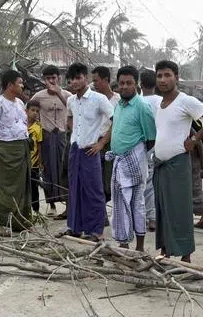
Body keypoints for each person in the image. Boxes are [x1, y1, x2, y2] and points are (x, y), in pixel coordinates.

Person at [152, 59, 203, 261]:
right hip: (161, 165)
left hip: (178, 164)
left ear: (176, 78)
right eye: (159, 76)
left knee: (181, 209)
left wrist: (195, 138)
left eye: (167, 75)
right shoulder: (160, 104)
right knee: (163, 208)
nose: (163, 80)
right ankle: (166, 250)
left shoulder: (185, 101)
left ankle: (186, 256)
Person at [106, 65, 157, 250]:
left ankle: (140, 247)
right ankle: (123, 244)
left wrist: (136, 155)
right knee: (120, 205)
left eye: (129, 83)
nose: (125, 87)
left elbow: (151, 138)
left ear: (137, 84)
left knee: (136, 203)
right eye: (121, 83)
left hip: (134, 162)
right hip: (119, 162)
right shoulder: (118, 105)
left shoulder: (143, 107)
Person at [65, 62, 115, 240]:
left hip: (91, 151)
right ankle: (75, 227)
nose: (75, 82)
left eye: (78, 78)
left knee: (94, 191)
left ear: (85, 78)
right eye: (71, 79)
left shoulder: (98, 99)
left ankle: (96, 231)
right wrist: (75, 133)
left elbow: (115, 121)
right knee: (74, 188)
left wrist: (101, 144)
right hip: (75, 150)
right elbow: (70, 119)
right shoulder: (70, 100)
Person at [0, 70, 33, 233]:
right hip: (5, 150)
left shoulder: (20, 103)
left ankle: (21, 221)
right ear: (10, 85)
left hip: (21, 149)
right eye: (19, 82)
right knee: (4, 187)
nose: (22, 85)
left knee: (21, 187)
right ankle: (3, 222)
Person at [29, 65, 72, 215]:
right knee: (47, 170)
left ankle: (67, 205)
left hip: (62, 135)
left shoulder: (66, 94)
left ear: (58, 78)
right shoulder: (38, 96)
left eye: (53, 78)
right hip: (46, 135)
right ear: (43, 80)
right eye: (48, 78)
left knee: (64, 169)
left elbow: (73, 108)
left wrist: (58, 93)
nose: (51, 81)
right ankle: (52, 205)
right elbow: (29, 109)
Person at [93, 65, 121, 202]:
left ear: (105, 80)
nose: (94, 84)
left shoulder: (119, 100)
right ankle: (101, 214)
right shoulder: (93, 99)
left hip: (111, 143)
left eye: (96, 80)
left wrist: (103, 142)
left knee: (110, 179)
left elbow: (116, 123)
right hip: (94, 142)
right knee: (96, 180)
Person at [140, 69, 161, 232]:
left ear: (140, 83)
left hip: (140, 145)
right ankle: (152, 217)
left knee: (141, 183)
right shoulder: (162, 101)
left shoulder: (137, 101)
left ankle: (146, 216)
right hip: (158, 145)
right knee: (153, 184)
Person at [27, 100, 44, 214]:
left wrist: (41, 162)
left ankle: (36, 210)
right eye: (32, 110)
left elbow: (39, 145)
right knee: (23, 187)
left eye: (37, 111)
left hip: (34, 163)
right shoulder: (20, 124)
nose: (35, 113)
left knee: (34, 187)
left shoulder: (38, 128)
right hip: (21, 162)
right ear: (26, 111)